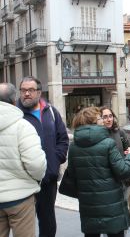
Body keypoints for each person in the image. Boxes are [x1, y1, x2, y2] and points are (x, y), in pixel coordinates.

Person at [67, 107, 130, 237]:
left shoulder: (73, 146)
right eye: (100, 118)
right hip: (111, 203)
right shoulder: (108, 144)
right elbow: (123, 171)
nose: (103, 120)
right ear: (93, 122)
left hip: (88, 203)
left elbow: (72, 175)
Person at [17, 76, 69, 237]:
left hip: (48, 179)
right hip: (23, 180)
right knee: (24, 225)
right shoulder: (15, 113)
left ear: (39, 92)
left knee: (47, 221)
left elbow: (63, 139)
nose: (26, 94)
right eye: (23, 90)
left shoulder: (51, 112)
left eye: (30, 90)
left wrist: (56, 158)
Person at [0, 83, 47, 237]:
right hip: (20, 198)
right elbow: (36, 164)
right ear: (14, 100)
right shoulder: (23, 127)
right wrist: (34, 180)